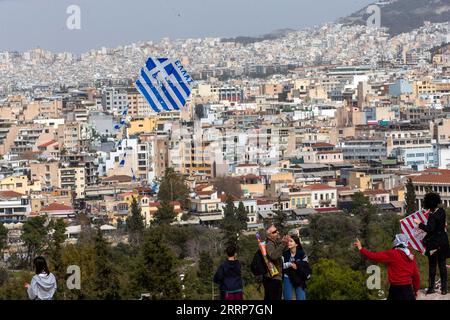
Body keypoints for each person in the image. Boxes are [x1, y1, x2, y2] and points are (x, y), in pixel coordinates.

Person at [354, 234, 420, 300]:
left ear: (397, 242)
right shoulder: (411, 256)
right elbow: (416, 275)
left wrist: (361, 248)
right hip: (408, 290)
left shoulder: (392, 254)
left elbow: (373, 256)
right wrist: (416, 290)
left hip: (395, 290)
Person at [413, 192, 449, 295]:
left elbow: (429, 229)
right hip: (443, 242)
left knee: (432, 266)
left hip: (434, 244)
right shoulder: (442, 211)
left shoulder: (432, 216)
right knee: (442, 265)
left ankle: (431, 288)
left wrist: (419, 223)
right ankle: (444, 288)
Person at [263, 224, 290, 300]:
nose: (277, 232)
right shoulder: (269, 244)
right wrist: (283, 244)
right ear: (269, 235)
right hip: (273, 278)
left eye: (277, 230)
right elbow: (273, 256)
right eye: (275, 232)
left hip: (274, 277)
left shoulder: (274, 243)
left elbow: (281, 252)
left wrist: (285, 243)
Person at [282, 235, 309, 300]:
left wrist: (298, 266)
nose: (289, 243)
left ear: (296, 244)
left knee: (301, 297)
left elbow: (306, 265)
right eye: (288, 241)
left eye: (291, 241)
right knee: (288, 298)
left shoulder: (302, 253)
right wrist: (289, 264)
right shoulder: (284, 254)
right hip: (287, 277)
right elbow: (281, 265)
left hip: (299, 277)